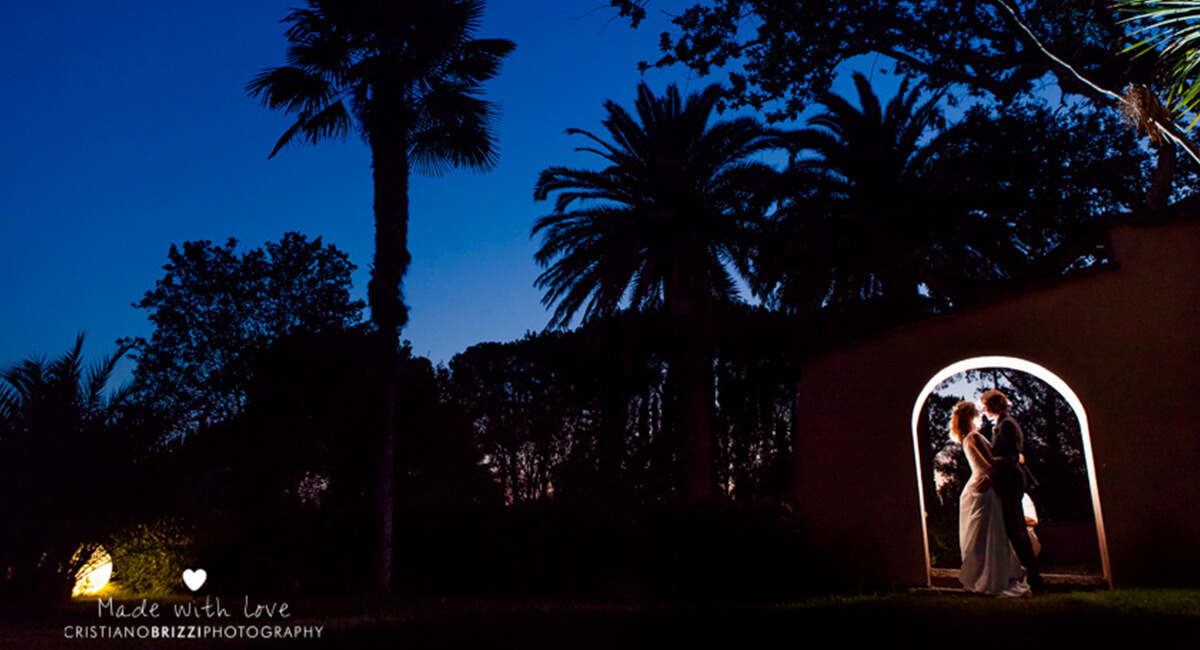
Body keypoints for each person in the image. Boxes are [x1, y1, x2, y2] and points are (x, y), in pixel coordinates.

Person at [951, 400, 1030, 597]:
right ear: (972, 416)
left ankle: (983, 576)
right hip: (985, 487)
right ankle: (989, 578)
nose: (981, 414)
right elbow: (990, 463)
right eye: (977, 412)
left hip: (979, 485)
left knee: (982, 536)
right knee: (990, 534)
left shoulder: (967, 437)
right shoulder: (975, 437)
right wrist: (1014, 458)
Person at [980, 389, 1045, 591]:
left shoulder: (1006, 425)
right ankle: (1033, 576)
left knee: (1016, 531)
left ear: (994, 405)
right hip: (1010, 480)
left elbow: (1010, 457)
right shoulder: (1002, 424)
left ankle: (1035, 578)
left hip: (1011, 481)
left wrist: (990, 472)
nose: (983, 409)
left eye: (986, 404)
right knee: (1015, 530)